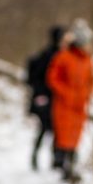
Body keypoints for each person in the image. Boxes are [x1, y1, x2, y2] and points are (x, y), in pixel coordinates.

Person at [46, 19, 93, 181]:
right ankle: (62, 167)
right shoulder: (64, 57)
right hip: (64, 106)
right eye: (87, 43)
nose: (89, 46)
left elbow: (92, 81)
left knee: (75, 137)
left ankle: (70, 167)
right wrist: (66, 94)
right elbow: (53, 78)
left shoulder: (88, 60)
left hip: (80, 106)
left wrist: (88, 94)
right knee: (64, 138)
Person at [26, 25, 66, 170]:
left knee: (51, 130)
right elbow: (37, 78)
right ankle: (44, 159)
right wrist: (41, 95)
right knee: (46, 130)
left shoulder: (56, 54)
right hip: (47, 100)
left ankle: (53, 161)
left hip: (53, 100)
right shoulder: (50, 56)